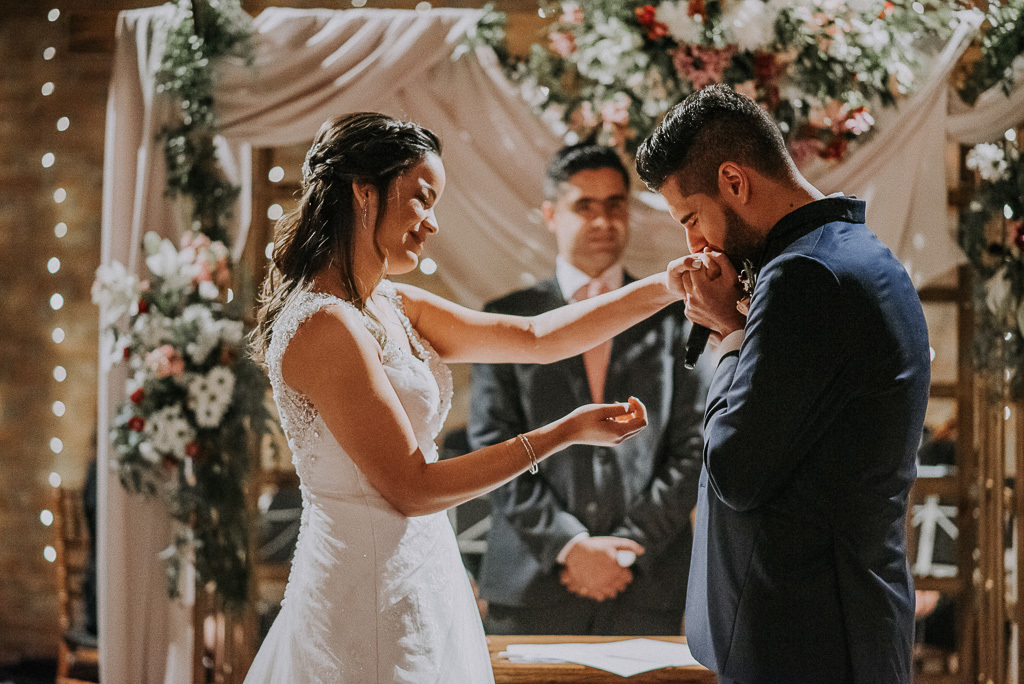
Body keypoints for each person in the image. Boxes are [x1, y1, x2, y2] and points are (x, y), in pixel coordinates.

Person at [244, 113, 687, 683]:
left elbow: (538, 337)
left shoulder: (393, 305)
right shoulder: (324, 325)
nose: (431, 223)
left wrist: (667, 285)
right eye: (421, 199)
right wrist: (564, 432)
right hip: (361, 591)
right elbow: (411, 487)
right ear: (363, 192)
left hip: (423, 570)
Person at [635, 85, 931, 683]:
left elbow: (736, 469)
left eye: (691, 218)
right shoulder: (855, 252)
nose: (695, 243)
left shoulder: (804, 275)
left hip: (807, 631)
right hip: (841, 618)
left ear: (734, 181)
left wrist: (728, 335)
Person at [468, 143, 705, 636]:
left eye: (615, 205)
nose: (603, 221)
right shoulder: (507, 318)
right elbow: (493, 443)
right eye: (585, 206)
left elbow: (693, 445)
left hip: (645, 583)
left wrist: (627, 547)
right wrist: (568, 546)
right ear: (551, 215)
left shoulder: (675, 318)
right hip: (533, 585)